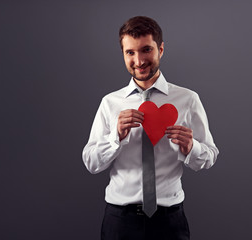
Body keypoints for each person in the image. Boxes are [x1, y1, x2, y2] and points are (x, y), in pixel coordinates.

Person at [82, 16, 219, 240]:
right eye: (130, 52)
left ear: (161, 49)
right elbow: (91, 163)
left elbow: (210, 156)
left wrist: (190, 147)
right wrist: (115, 137)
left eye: (146, 50)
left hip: (169, 220)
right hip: (120, 220)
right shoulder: (110, 103)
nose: (139, 60)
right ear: (123, 54)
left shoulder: (188, 99)